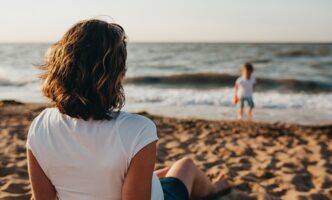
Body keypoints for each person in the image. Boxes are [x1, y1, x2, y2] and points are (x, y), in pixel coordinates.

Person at [26, 19, 229, 200]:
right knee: (186, 166)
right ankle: (216, 188)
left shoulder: (40, 126)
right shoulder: (138, 130)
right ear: (117, 75)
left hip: (105, 183)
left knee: (161, 172)